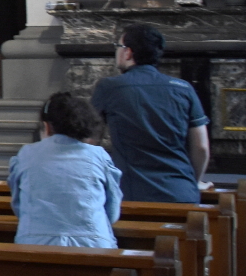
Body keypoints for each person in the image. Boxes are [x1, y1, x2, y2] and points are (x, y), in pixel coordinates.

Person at [90, 23, 211, 203]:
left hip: (130, 195)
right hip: (181, 193)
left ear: (128, 52)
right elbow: (201, 147)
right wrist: (193, 181)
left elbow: (90, 141)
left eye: (118, 46)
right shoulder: (184, 89)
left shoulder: (109, 88)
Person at [10, 93, 123, 248]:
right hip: (93, 246)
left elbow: (18, 206)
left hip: (35, 246)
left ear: (47, 127)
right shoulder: (99, 156)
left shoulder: (26, 154)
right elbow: (112, 210)